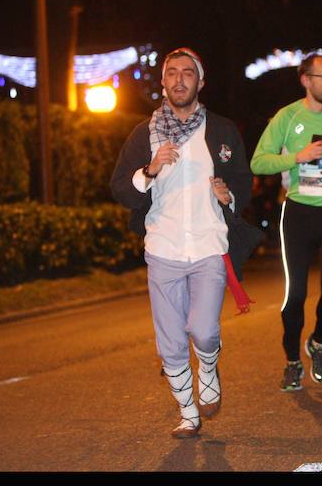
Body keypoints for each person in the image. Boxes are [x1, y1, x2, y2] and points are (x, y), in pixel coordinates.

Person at [110, 47, 260, 438]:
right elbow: (121, 189)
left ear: (200, 81)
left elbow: (243, 181)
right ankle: (188, 413)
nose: (179, 79)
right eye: (172, 73)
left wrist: (228, 196)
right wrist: (150, 169)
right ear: (163, 82)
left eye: (187, 73)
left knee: (204, 330)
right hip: (163, 247)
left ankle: (208, 367)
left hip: (209, 244)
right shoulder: (144, 134)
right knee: (170, 343)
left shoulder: (222, 130)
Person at [250, 54, 322, 392]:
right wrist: (297, 157)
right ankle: (293, 362)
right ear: (306, 80)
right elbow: (258, 162)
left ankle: (318, 342)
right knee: (295, 295)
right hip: (298, 215)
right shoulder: (287, 116)